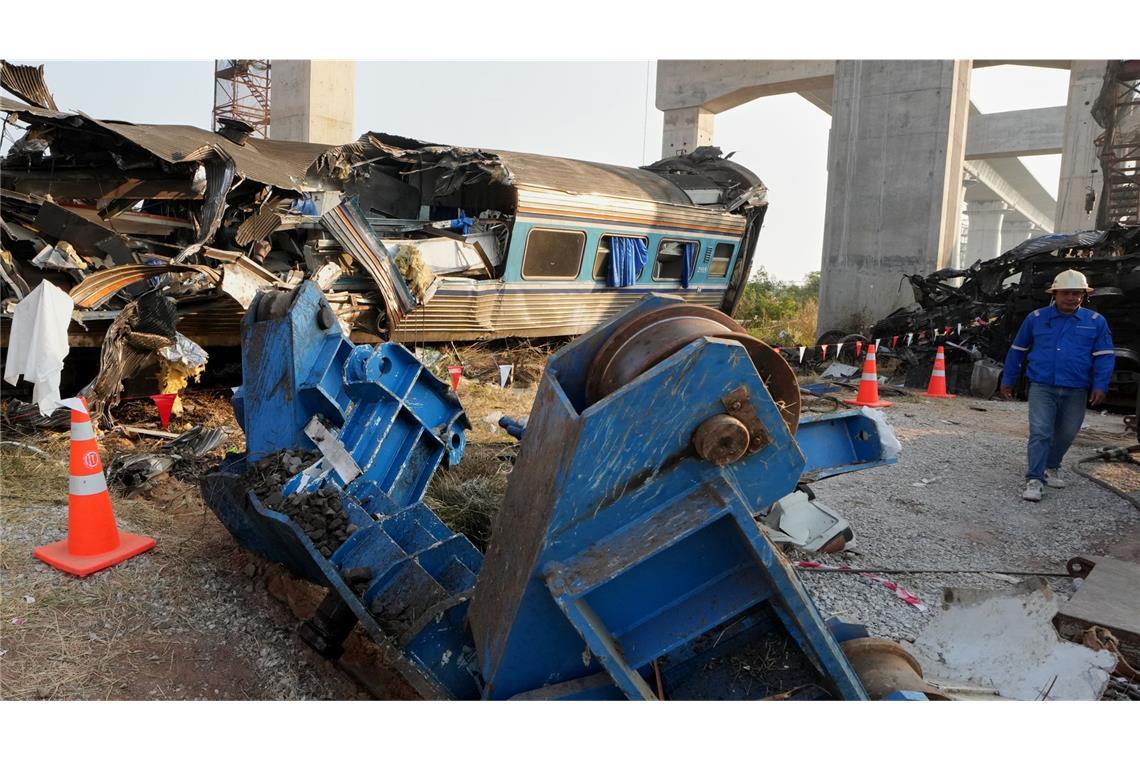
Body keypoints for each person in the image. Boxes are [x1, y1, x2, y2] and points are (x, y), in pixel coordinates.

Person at [1001, 269, 1115, 502]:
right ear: (1055, 293)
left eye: (1077, 293)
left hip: (1076, 388)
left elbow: (1104, 356)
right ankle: (1034, 479)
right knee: (1041, 431)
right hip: (1043, 386)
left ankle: (1051, 465)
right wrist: (1008, 379)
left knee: (1067, 433)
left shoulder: (1095, 322)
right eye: (1066, 293)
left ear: (1083, 295)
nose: (1072, 298)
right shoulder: (1036, 318)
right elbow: (1018, 351)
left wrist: (1100, 384)